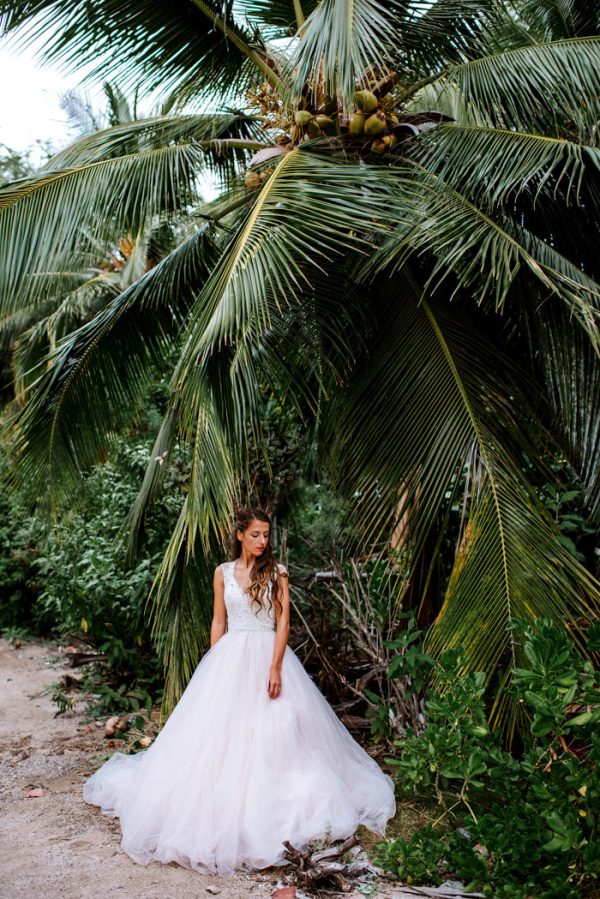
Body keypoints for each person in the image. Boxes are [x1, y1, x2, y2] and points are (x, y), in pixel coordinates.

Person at [83, 507, 396, 874]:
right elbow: (218, 620)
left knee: (275, 728)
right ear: (240, 535)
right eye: (255, 535)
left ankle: (270, 803)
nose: (262, 541)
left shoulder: (278, 573)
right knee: (220, 734)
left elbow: (283, 622)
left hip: (267, 655)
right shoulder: (223, 573)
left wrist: (276, 666)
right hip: (230, 656)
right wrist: (214, 669)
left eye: (266, 535)